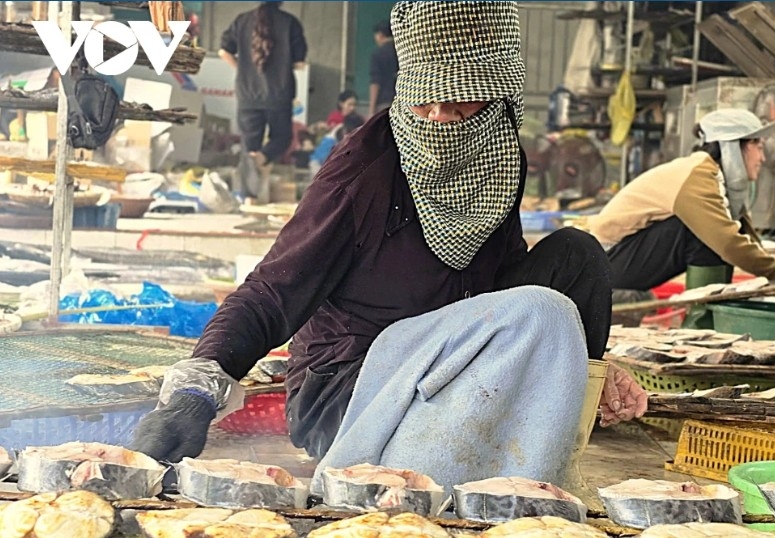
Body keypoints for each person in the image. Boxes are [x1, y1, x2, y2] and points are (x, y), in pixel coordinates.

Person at [131, 1, 646, 503]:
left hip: (449, 362)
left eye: (462, 100)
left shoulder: (499, 155)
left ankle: (556, 441)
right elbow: (271, 291)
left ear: (499, 96)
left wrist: (581, 362)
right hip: (354, 391)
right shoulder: (362, 172)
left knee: (577, 256)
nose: (441, 118)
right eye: (426, 100)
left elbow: (500, 282)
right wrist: (195, 391)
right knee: (539, 313)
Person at [587, 108, 775, 326]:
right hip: (604, 268)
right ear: (733, 147)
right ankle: (700, 324)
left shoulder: (713, 179)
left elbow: (742, 233)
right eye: (759, 147)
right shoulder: (697, 177)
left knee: (714, 230)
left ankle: (710, 318)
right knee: (705, 234)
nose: (763, 158)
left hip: (619, 263)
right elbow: (726, 241)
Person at [218, 1, 307, 202]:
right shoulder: (290, 23)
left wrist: (241, 69)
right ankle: (262, 159)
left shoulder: (241, 21)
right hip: (280, 94)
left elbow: (224, 51)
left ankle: (250, 197)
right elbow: (299, 63)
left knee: (249, 145)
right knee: (282, 138)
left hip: (248, 93)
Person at [368, 19, 398, 117]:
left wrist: (371, 108)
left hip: (384, 103)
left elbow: (375, 82)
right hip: (403, 101)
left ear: (380, 35)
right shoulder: (403, 52)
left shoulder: (378, 54)